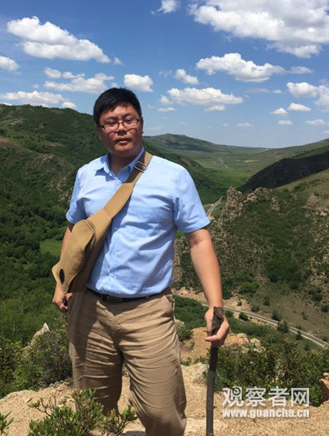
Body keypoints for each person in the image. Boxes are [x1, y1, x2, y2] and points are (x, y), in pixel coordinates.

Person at [52, 87, 230, 436]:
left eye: (128, 119)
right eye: (111, 122)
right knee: (92, 410)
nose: (121, 128)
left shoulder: (173, 176)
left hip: (148, 310)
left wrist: (216, 305)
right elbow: (74, 227)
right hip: (89, 307)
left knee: (163, 413)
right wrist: (62, 282)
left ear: (142, 124)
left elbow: (198, 239)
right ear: (98, 130)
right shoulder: (86, 174)